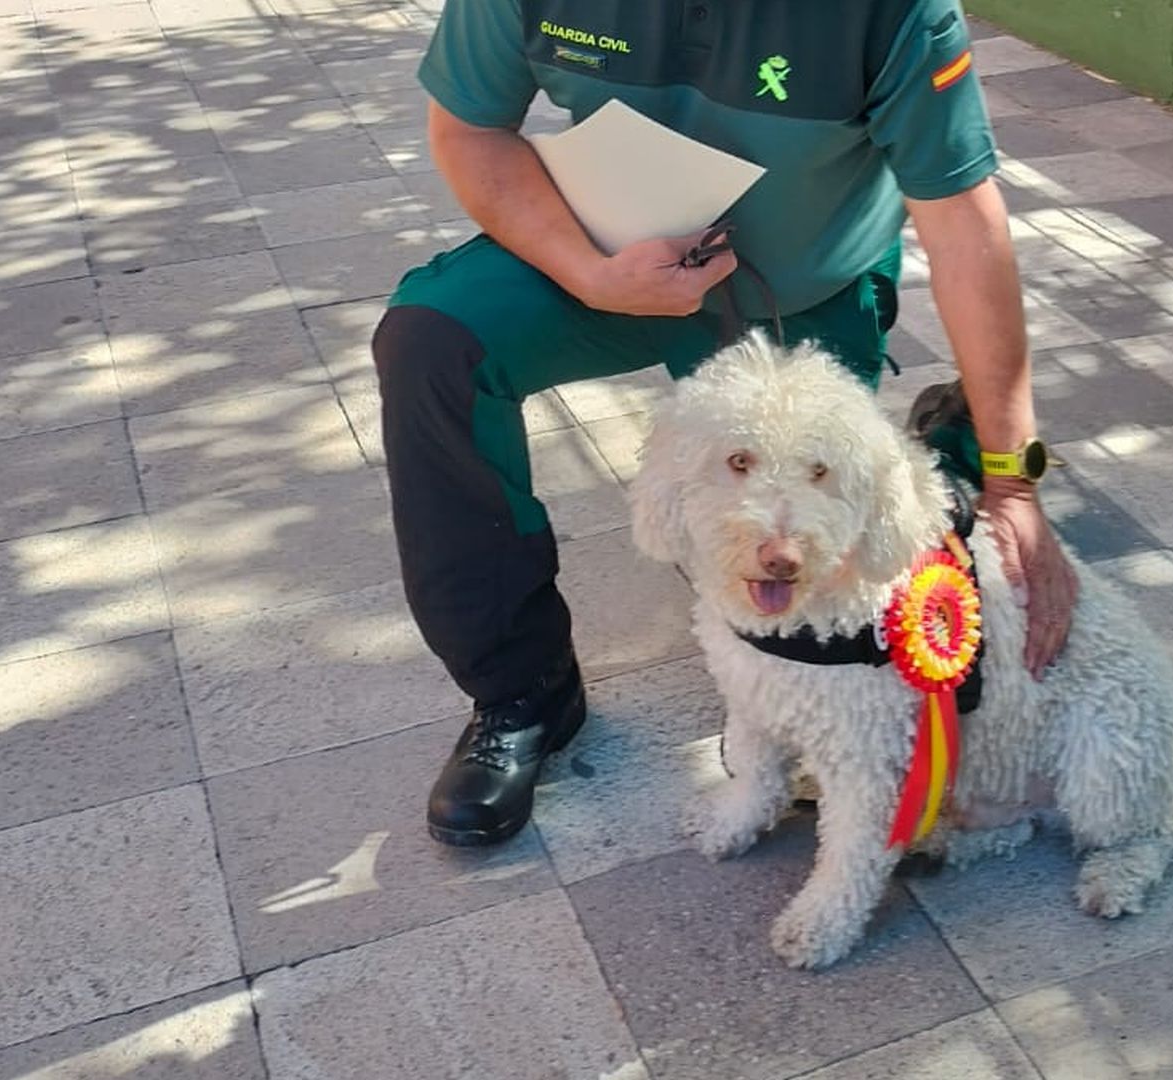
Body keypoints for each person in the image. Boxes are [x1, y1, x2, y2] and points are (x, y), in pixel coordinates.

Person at [371, 0, 1081, 847]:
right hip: (614, 257)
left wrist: (1014, 484)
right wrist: (589, 274)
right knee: (432, 343)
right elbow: (469, 132)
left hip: (803, 286)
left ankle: (960, 443)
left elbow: (962, 216)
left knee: (839, 534)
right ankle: (524, 688)